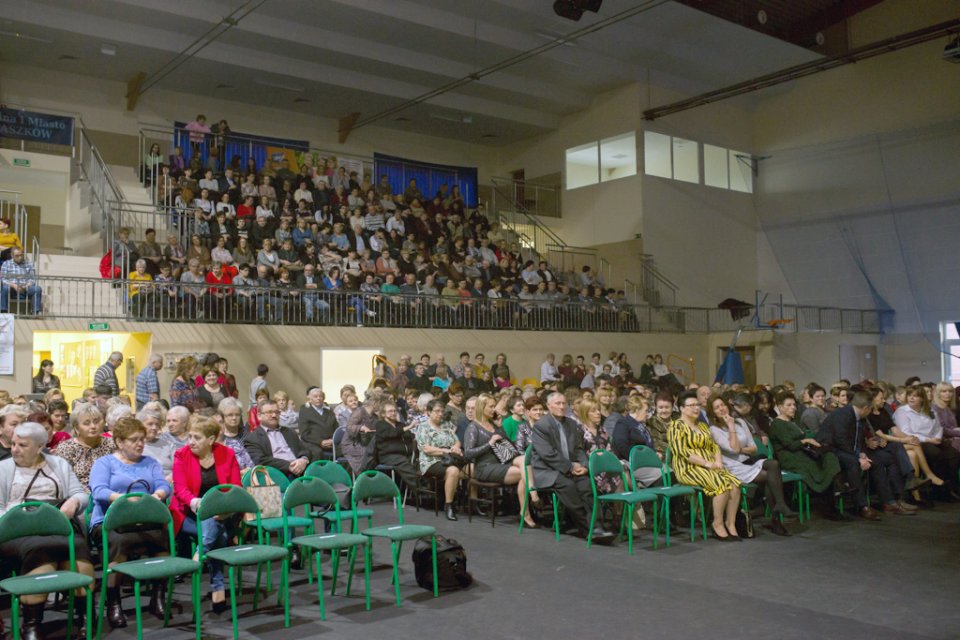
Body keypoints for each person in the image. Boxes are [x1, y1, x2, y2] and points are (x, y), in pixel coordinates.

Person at [0, 422, 94, 640]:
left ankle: (85, 616)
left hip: (57, 525)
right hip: (18, 532)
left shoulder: (58, 464)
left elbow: (81, 494)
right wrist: (19, 519)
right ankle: (32, 623)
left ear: (40, 446)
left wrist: (72, 503)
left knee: (77, 548)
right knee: (41, 549)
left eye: (22, 445)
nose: (14, 449)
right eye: (13, 443)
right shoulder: (3, 469)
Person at [89, 417, 172, 628]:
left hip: (144, 520)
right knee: (119, 541)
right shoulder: (104, 463)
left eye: (142, 439)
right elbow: (99, 491)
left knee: (162, 536)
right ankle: (114, 602)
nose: (140, 444)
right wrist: (127, 501)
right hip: (110, 522)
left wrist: (157, 495)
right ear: (119, 442)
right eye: (134, 440)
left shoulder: (150, 462)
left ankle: (158, 597)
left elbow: (164, 485)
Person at [171, 417, 240, 613]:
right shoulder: (181, 455)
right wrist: (197, 503)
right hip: (187, 513)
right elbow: (180, 490)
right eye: (190, 436)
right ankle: (218, 587)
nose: (190, 441)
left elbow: (235, 487)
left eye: (197, 437)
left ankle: (200, 554)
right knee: (220, 533)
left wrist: (227, 510)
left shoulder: (227, 454)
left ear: (211, 440)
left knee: (214, 522)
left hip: (222, 512)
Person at [706, 395, 796, 535]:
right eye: (716, 407)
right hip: (732, 467)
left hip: (748, 461)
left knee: (773, 464)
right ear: (713, 412)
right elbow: (734, 449)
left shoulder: (741, 422)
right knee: (771, 478)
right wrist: (730, 426)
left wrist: (740, 447)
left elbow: (753, 448)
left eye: (722, 405)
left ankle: (779, 505)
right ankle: (777, 517)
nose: (721, 409)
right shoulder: (714, 429)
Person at [531, 392, 614, 542]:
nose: (562, 406)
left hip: (570, 468)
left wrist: (583, 466)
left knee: (586, 484)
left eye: (564, 403)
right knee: (569, 488)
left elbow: (578, 449)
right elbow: (548, 454)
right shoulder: (541, 425)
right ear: (549, 406)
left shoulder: (571, 423)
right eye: (558, 403)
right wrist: (570, 467)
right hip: (548, 470)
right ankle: (589, 529)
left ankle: (597, 526)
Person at [818, 390, 913, 519]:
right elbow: (841, 440)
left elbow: (859, 438)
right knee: (853, 463)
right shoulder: (843, 415)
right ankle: (862, 506)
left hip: (849, 449)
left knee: (883, 459)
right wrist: (858, 457)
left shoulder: (860, 417)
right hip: (831, 449)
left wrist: (862, 453)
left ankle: (891, 501)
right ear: (866, 408)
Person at [668, 389, 742, 540]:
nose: (696, 408)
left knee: (734, 483)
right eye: (691, 405)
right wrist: (707, 463)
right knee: (721, 484)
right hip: (688, 468)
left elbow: (713, 446)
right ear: (682, 408)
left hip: (711, 466)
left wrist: (718, 461)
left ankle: (731, 523)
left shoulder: (702, 426)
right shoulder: (676, 426)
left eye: (697, 405)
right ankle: (717, 524)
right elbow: (683, 452)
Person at [767, 392, 844, 518]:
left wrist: (809, 440)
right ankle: (829, 503)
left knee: (829, 456)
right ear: (780, 407)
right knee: (813, 464)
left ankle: (835, 491)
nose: (793, 407)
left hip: (801, 452)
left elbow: (803, 435)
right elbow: (790, 445)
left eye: (794, 404)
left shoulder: (793, 421)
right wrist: (805, 440)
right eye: (789, 405)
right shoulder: (777, 424)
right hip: (788, 456)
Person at [893, 384, 960, 502]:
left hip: (934, 439)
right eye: (910, 396)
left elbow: (938, 427)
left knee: (953, 454)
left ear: (922, 398)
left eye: (916, 396)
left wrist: (937, 438)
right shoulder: (902, 411)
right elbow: (906, 432)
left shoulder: (930, 410)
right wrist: (929, 440)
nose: (912, 398)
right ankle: (938, 489)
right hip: (917, 441)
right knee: (937, 454)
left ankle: (950, 488)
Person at [415, 399, 465, 521]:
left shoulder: (446, 425)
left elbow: (457, 440)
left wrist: (456, 447)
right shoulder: (423, 427)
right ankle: (449, 505)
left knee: (472, 469)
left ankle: (470, 503)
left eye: (442, 411)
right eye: (437, 411)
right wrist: (446, 451)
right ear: (429, 412)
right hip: (430, 461)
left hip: (450, 459)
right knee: (453, 471)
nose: (440, 414)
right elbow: (426, 449)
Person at [54, 403, 116, 487]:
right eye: (87, 423)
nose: (93, 426)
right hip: (79, 493)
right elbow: (63, 480)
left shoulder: (112, 444)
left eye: (96, 422)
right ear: (76, 427)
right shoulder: (66, 448)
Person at [244, 400, 310, 478]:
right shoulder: (253, 438)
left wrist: (303, 460)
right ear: (259, 416)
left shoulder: (289, 432)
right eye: (269, 412)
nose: (274, 415)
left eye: (277, 412)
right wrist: (288, 465)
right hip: (277, 475)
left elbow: (304, 449)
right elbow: (261, 460)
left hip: (301, 470)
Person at [373, 400, 419, 488]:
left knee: (418, 461)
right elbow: (392, 433)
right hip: (388, 456)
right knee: (403, 462)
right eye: (390, 411)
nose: (393, 413)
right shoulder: (380, 425)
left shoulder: (400, 424)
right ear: (383, 414)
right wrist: (409, 427)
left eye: (394, 411)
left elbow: (409, 435)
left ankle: (415, 490)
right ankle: (419, 488)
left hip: (404, 454)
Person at [298, 387, 337, 461]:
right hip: (312, 443)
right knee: (317, 452)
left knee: (347, 450)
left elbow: (336, 428)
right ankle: (316, 472)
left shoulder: (329, 412)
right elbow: (304, 433)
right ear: (310, 399)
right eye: (315, 396)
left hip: (331, 442)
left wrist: (332, 440)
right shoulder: (305, 411)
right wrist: (320, 442)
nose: (318, 398)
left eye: (320, 396)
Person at [0, 248, 43, 314]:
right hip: (12, 289)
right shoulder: (6, 264)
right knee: (5, 288)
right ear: (12, 255)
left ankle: (35, 313)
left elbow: (32, 279)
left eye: (21, 255)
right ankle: (3, 312)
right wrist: (14, 285)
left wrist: (26, 286)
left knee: (37, 289)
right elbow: (3, 279)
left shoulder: (29, 264)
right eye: (17, 255)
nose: (20, 257)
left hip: (26, 288)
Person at [140, 403, 176, 479]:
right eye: (150, 424)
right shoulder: (136, 446)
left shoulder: (168, 445)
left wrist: (171, 477)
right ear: (140, 425)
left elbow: (178, 467)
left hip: (169, 483)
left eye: (157, 425)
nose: (154, 427)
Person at [217, 398, 253, 473]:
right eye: (230, 415)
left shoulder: (247, 434)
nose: (234, 418)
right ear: (222, 416)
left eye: (237, 415)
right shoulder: (219, 438)